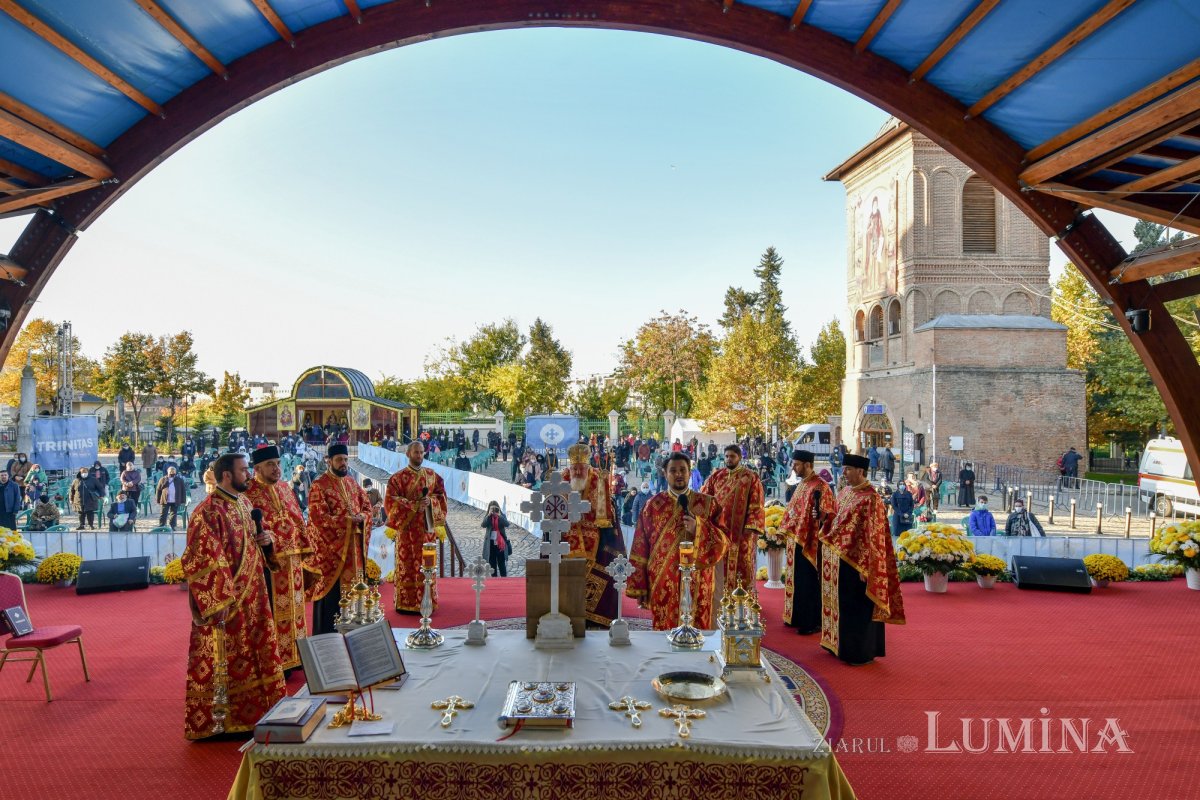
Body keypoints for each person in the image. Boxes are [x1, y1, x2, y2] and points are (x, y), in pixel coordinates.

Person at [182, 452, 285, 740]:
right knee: (229, 657)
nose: (248, 475)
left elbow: (255, 542)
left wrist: (267, 541)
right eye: (243, 471)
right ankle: (224, 721)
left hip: (255, 594)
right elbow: (199, 559)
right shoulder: (207, 511)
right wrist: (220, 601)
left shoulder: (246, 503)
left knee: (256, 653)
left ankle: (259, 712)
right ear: (226, 475)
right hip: (228, 602)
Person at [627, 452, 729, 631]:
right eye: (673, 470)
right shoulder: (652, 505)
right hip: (662, 580)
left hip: (699, 580)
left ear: (690, 473)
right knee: (664, 632)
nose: (678, 474)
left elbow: (724, 541)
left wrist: (699, 528)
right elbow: (640, 547)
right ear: (665, 474)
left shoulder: (708, 504)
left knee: (698, 632)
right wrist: (640, 586)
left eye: (683, 470)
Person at [819, 454, 905, 665]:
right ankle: (837, 644)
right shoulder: (845, 492)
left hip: (856, 564)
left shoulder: (871, 498)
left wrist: (867, 567)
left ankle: (857, 651)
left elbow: (874, 535)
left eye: (848, 469)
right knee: (841, 605)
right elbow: (836, 521)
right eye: (844, 469)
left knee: (856, 607)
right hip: (839, 559)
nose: (844, 473)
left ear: (861, 471)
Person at [243, 445, 314, 672]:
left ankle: (296, 655)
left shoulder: (285, 488)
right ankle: (276, 662)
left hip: (292, 563)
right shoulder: (248, 493)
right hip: (268, 564)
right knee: (273, 613)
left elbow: (296, 520)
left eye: (278, 464)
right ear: (257, 468)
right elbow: (248, 528)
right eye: (270, 465)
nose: (276, 469)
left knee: (296, 611)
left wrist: (303, 549)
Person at [305, 444, 372, 636]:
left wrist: (363, 518)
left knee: (355, 594)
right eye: (339, 460)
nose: (343, 463)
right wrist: (349, 521)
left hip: (354, 552)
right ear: (329, 461)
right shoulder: (320, 485)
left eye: (345, 459)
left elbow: (367, 507)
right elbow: (318, 518)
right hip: (333, 555)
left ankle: (354, 636)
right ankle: (328, 639)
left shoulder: (352, 482)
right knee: (332, 598)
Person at [561, 443, 627, 626]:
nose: (578, 472)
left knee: (603, 563)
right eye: (574, 468)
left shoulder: (599, 479)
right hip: (566, 534)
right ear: (569, 467)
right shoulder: (562, 479)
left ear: (588, 466)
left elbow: (606, 513)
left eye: (582, 468)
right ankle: (568, 612)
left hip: (595, 534)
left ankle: (595, 617)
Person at [385, 441, 448, 614]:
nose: (419, 456)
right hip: (406, 532)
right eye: (416, 453)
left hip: (427, 532)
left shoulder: (431, 475)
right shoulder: (397, 478)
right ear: (408, 454)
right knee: (407, 567)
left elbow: (440, 496)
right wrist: (413, 505)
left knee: (426, 566)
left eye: (421, 452)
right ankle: (406, 603)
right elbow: (390, 501)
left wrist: (431, 502)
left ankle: (427, 600)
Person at [781, 450, 836, 635]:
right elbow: (793, 511)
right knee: (797, 581)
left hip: (810, 542)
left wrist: (821, 516)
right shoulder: (802, 484)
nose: (793, 468)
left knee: (809, 582)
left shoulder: (821, 486)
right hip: (796, 540)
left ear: (807, 464)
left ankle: (811, 622)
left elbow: (829, 513)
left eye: (796, 464)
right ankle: (796, 616)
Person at [701, 444, 765, 597]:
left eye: (732, 456)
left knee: (742, 564)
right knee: (719, 563)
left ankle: (741, 598)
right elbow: (705, 498)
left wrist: (751, 526)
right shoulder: (716, 476)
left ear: (739, 457)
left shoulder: (750, 477)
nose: (729, 459)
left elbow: (757, 503)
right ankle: (719, 596)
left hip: (741, 531)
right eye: (727, 456)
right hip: (718, 531)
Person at [480, 501, 512, 577]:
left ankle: (504, 580)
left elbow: (507, 524)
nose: (494, 511)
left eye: (495, 509)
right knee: (492, 564)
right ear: (489, 509)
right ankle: (495, 580)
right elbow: (483, 525)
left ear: (498, 508)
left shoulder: (501, 515)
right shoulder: (488, 517)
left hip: (500, 543)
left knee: (501, 563)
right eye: (492, 509)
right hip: (490, 544)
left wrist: (499, 516)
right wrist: (488, 515)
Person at [157, 466, 188, 530]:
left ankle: (172, 526)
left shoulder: (179, 480)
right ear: (167, 471)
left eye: (173, 471)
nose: (172, 472)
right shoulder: (163, 479)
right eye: (170, 471)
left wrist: (183, 500)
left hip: (175, 500)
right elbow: (158, 490)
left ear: (176, 472)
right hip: (165, 499)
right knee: (163, 513)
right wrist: (158, 499)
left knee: (173, 514)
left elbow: (183, 490)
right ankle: (162, 525)